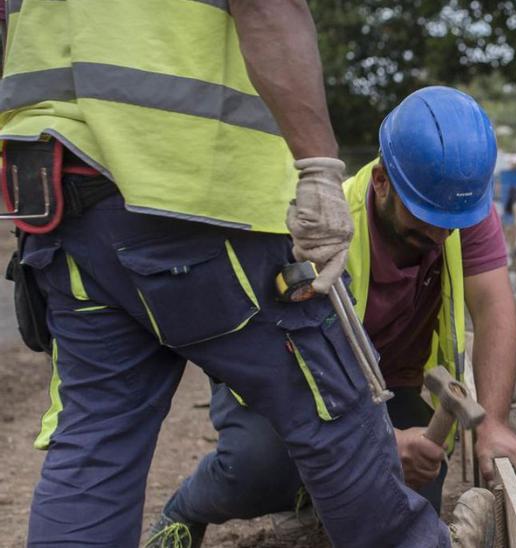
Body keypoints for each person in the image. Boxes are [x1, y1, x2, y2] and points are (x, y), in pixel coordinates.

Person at [0, 2, 445, 546]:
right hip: (196, 194)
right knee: (339, 419)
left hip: (58, 200)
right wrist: (319, 170)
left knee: (95, 446)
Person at [149, 87, 516, 546]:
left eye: (451, 222)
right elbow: (289, 369)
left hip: (389, 381)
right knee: (257, 469)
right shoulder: (322, 237)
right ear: (381, 181)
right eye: (423, 220)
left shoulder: (456, 211)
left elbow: (495, 309)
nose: (439, 235)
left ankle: (323, 499)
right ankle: (186, 508)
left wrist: (493, 422)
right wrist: (381, 444)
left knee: (411, 492)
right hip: (288, 373)